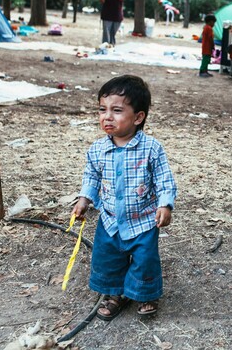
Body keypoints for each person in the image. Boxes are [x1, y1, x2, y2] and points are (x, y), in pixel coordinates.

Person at [72, 75, 177, 320]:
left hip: (143, 221)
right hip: (110, 221)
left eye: (117, 110)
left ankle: (145, 293)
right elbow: (91, 177)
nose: (107, 116)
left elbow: (164, 179)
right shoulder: (97, 149)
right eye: (102, 109)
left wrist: (165, 204)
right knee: (109, 259)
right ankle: (114, 293)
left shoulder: (151, 148)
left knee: (144, 260)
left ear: (138, 117)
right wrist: (84, 199)